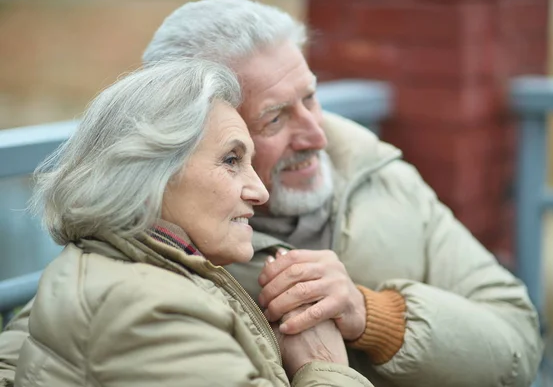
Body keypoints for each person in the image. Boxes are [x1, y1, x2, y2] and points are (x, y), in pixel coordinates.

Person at [0, 0, 543, 387]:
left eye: (311, 97)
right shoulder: (158, 248)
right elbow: (42, 346)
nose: (316, 135)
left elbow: (519, 342)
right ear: (190, 134)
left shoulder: (375, 172)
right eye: (275, 117)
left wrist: (375, 317)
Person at [1, 60, 373, 387]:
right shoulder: (148, 312)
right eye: (231, 160)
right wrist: (321, 365)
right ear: (150, 173)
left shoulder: (112, 266)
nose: (260, 191)